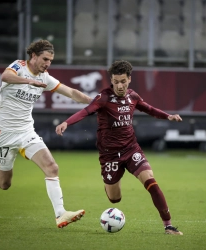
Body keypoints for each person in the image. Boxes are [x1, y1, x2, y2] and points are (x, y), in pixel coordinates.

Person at [55, 60, 184, 235]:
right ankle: (109, 183)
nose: (120, 85)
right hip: (110, 156)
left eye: (123, 81)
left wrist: (168, 116)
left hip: (131, 149)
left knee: (151, 182)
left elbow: (150, 109)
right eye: (116, 82)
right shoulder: (104, 98)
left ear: (129, 79)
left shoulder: (133, 97)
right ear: (112, 80)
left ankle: (168, 225)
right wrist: (66, 122)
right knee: (115, 199)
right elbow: (85, 111)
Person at [0, 39, 92, 228]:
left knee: (52, 167)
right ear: (34, 56)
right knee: (4, 184)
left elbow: (71, 92)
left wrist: (96, 101)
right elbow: (5, 77)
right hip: (4, 135)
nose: (47, 64)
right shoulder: (19, 67)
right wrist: (29, 80)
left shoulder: (45, 77)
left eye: (50, 61)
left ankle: (61, 214)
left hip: (26, 132)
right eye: (45, 59)